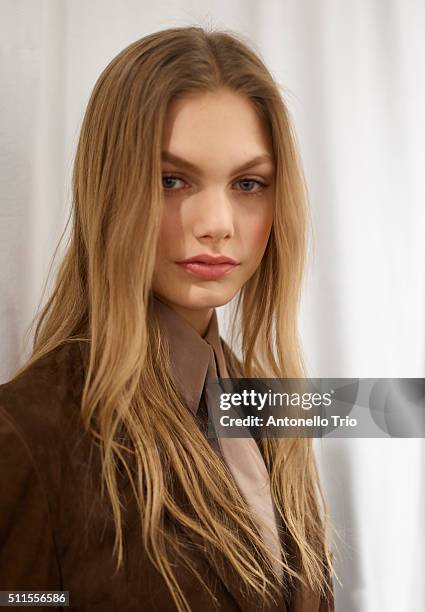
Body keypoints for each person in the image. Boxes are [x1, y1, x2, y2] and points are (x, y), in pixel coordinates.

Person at [0, 26, 335, 611]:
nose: (217, 223)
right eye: (171, 180)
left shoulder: (273, 414)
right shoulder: (29, 436)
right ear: (110, 191)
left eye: (248, 183)